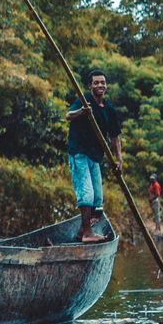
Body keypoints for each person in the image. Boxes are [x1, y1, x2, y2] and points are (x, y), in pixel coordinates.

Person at [66, 71, 124, 243]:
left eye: (103, 83)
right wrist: (82, 112)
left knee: (98, 199)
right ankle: (87, 234)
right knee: (87, 194)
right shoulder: (84, 101)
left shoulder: (109, 109)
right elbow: (68, 116)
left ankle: (81, 232)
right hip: (79, 153)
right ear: (90, 86)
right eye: (96, 83)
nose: (100, 85)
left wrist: (118, 160)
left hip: (95, 156)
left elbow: (115, 137)